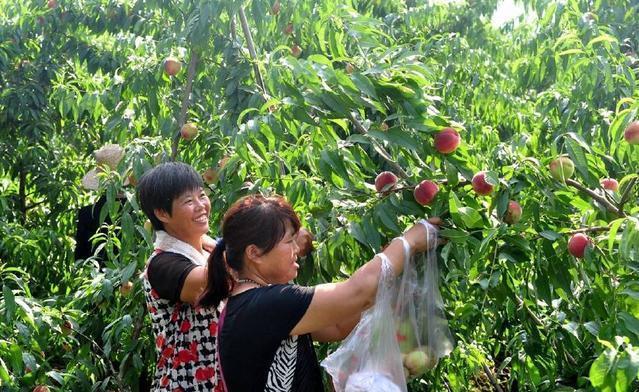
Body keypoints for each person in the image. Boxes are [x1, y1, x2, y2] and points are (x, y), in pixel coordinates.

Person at [199, 194, 436, 391]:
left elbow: (337, 327)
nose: (296, 250)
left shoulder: (254, 302)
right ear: (254, 253)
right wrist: (408, 242)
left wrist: (390, 270)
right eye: (289, 241)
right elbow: (355, 293)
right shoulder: (266, 304)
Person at [137, 162, 222, 391]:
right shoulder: (161, 264)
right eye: (188, 201)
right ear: (162, 213)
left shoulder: (208, 251)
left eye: (202, 195)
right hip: (186, 384)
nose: (201, 205)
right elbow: (208, 281)